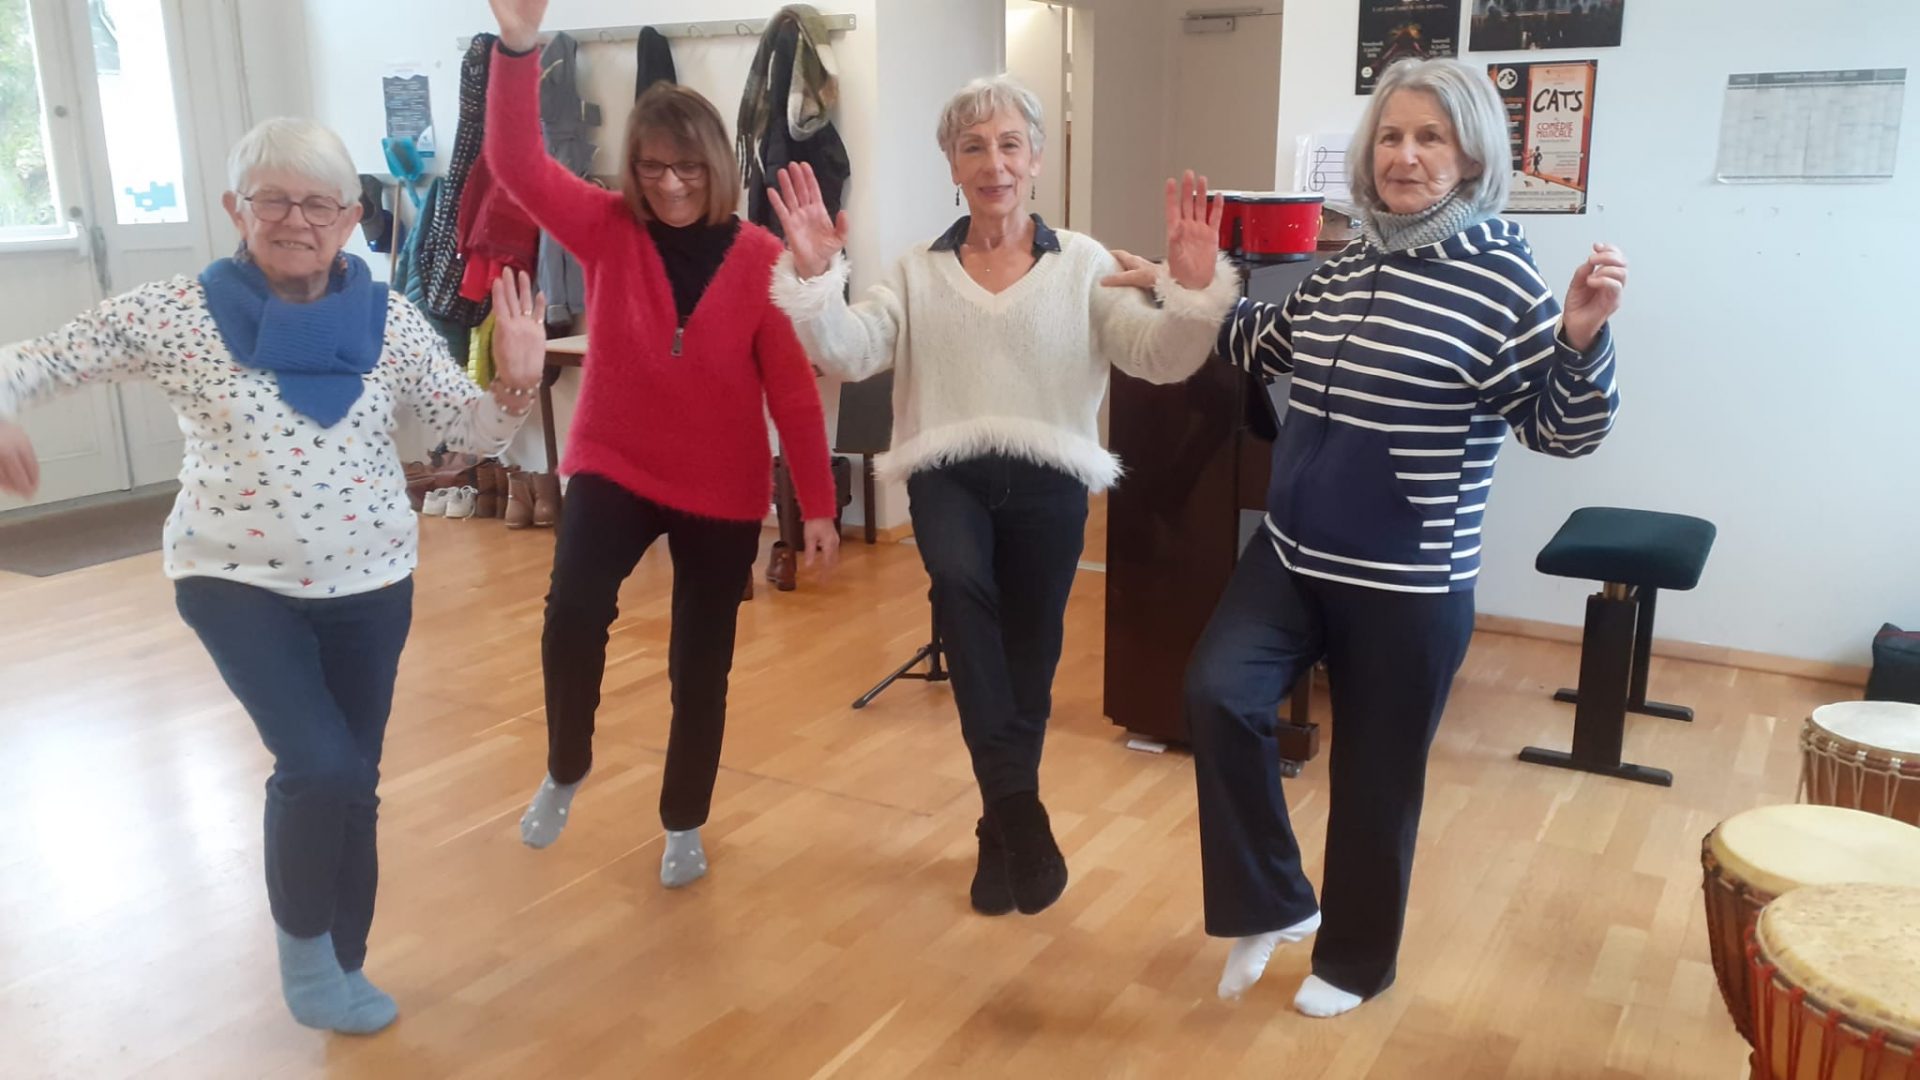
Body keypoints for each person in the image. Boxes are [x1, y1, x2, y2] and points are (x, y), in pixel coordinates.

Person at [0, 118, 548, 1034]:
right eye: (274, 200)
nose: (298, 220)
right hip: (234, 580)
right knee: (318, 764)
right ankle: (304, 957)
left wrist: (514, 387)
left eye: (320, 203)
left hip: (372, 581)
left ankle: (344, 960)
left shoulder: (389, 320)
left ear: (352, 218)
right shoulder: (179, 313)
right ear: (235, 209)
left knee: (356, 778)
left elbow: (462, 435)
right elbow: (37, 362)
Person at [1115, 56, 1627, 1017]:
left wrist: (1582, 341)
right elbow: (1261, 342)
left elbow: (1562, 431)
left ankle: (1354, 963)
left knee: (1374, 784)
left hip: (1407, 585)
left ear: (1472, 155)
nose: (1406, 155)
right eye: (1391, 135)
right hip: (1291, 556)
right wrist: (1190, 284)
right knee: (1216, 694)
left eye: (1430, 137)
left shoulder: (1502, 280)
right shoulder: (1350, 262)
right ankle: (1276, 902)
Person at [766, 74, 1239, 917]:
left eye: (1010, 144)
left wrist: (1193, 296)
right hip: (947, 467)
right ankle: (1022, 810)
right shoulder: (916, 270)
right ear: (952, 164)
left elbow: (1160, 358)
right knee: (958, 586)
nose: (994, 163)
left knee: (1028, 661)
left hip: (1052, 475)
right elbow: (848, 351)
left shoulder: (1084, 263)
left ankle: (998, 831)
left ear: (1037, 159)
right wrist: (814, 278)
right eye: (974, 147)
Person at [484, 0, 840, 889]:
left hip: (721, 487)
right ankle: (567, 766)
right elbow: (516, 164)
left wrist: (818, 507)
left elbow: (793, 393)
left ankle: (684, 820)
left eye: (687, 168)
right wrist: (519, 49)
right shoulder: (608, 227)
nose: (670, 185)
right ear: (632, 170)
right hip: (616, 463)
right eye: (651, 168)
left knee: (700, 665)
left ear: (715, 165)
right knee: (573, 611)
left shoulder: (759, 258)